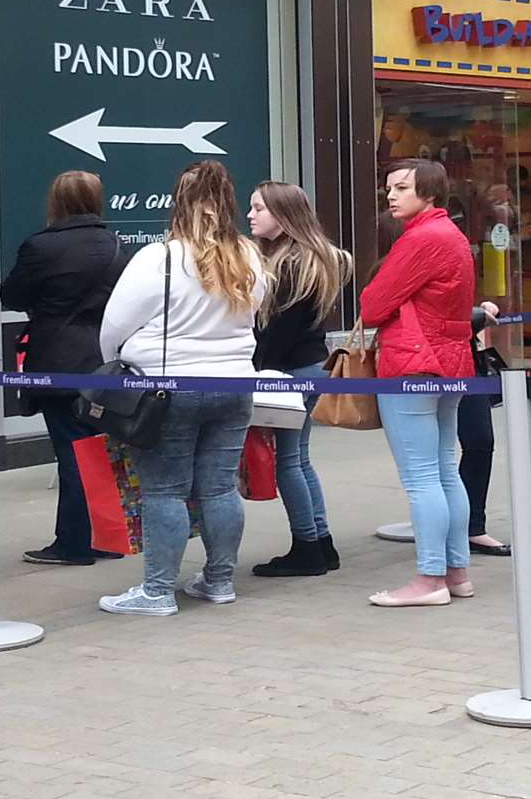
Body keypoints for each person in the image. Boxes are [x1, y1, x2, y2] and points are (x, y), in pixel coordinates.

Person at [96, 161, 266, 617]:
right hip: (234, 385)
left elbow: (114, 327)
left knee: (165, 491)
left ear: (178, 204)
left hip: (167, 388)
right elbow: (255, 314)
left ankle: (156, 591)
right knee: (219, 488)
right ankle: (219, 581)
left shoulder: (159, 258)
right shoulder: (248, 256)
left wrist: (117, 362)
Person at [361, 159, 477, 608]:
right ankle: (455, 570)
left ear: (428, 192)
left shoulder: (421, 238)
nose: (391, 195)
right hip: (451, 361)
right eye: (389, 187)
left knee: (423, 476)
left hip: (412, 363)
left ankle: (430, 578)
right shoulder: (453, 235)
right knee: (445, 469)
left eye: (402, 188)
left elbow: (372, 305)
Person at [1, 171, 128, 567]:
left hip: (57, 359)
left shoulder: (41, 246)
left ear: (55, 201)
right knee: (102, 451)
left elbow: (12, 294)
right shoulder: (115, 245)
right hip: (103, 360)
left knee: (72, 453)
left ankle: (74, 543)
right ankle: (108, 537)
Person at [248, 181, 352, 577]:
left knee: (288, 463)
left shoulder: (290, 266)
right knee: (300, 460)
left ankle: (307, 545)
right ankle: (321, 543)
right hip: (310, 368)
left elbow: (275, 334)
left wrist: (253, 374)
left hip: (289, 374)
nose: (251, 215)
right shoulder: (314, 259)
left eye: (259, 208)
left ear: (283, 214)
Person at [460, 302, 511, 557]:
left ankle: (472, 527)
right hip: (421, 368)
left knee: (480, 443)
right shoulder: (406, 268)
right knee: (432, 457)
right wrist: (476, 315)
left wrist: (479, 310)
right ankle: (444, 532)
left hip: (467, 363)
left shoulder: (459, 266)